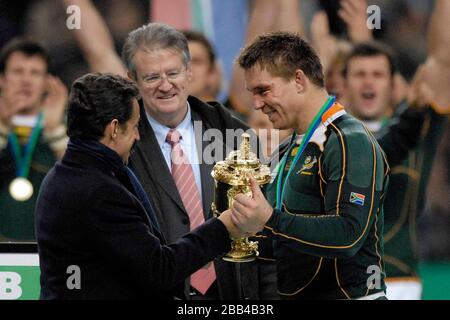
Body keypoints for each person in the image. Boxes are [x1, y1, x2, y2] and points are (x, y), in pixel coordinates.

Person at [35, 73, 256, 300]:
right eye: (134, 126)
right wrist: (223, 226)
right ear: (113, 128)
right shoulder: (99, 191)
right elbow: (159, 270)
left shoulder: (62, 176)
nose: (138, 135)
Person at [122, 23, 277, 300]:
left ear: (189, 72)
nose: (165, 85)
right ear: (132, 79)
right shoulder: (121, 145)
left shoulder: (235, 136)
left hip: (234, 296)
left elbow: (267, 233)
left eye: (173, 73)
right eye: (151, 77)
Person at [232, 32, 390, 300]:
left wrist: (269, 220)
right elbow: (288, 239)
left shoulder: (349, 141)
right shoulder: (289, 147)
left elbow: (348, 235)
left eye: (263, 90)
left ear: (298, 79)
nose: (257, 104)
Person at [341, 0, 449, 300]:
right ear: (343, 84)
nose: (368, 83)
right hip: (335, 284)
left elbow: (444, 59)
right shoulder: (326, 136)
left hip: (399, 282)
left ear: (393, 84)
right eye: (359, 75)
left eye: (378, 75)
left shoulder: (414, 131)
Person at [0, 37, 68, 241]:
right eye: (18, 71)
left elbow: (81, 185)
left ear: (47, 81)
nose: (26, 80)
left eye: (35, 73)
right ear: (2, 79)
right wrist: (3, 127)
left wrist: (55, 129)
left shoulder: (67, 128)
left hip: (47, 248)